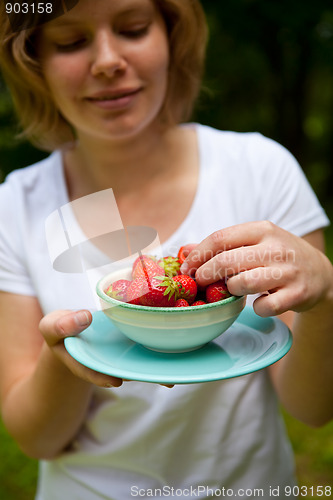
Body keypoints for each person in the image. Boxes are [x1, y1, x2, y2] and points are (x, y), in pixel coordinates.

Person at [0, 1, 333, 499]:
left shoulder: (259, 169)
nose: (108, 60)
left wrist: (324, 299)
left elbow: (315, 407)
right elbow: (37, 438)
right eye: (71, 42)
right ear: (34, 63)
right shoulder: (17, 208)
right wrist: (61, 357)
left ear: (171, 35)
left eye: (132, 29)